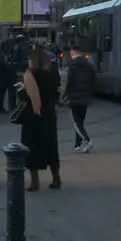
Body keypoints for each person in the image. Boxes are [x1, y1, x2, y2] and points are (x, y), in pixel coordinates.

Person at [21, 46, 62, 191]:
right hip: (50, 115)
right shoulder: (51, 74)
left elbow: (35, 100)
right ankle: (56, 177)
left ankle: (35, 182)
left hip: (34, 117)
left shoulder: (30, 74)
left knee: (32, 148)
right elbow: (58, 93)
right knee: (51, 148)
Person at [60, 43, 96, 153]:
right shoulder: (89, 65)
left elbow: (69, 82)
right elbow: (93, 81)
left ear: (73, 53)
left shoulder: (73, 65)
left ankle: (87, 140)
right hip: (85, 97)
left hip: (74, 97)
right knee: (80, 121)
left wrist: (63, 96)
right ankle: (77, 145)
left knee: (76, 122)